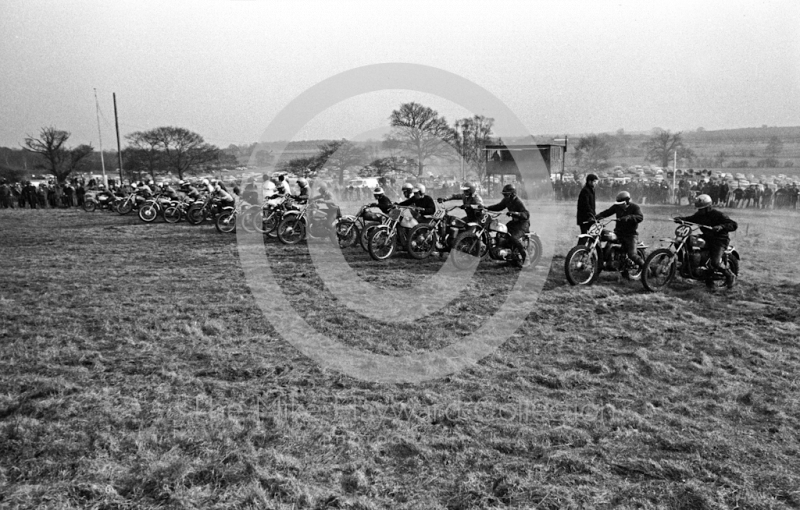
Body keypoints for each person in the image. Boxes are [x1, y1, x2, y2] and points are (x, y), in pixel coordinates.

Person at [674, 193, 738, 289]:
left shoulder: (718, 215)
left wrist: (721, 227)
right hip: (707, 237)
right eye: (699, 209)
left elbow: (733, 224)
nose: (700, 211)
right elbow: (690, 219)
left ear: (708, 207)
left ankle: (729, 275)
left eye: (702, 209)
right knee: (686, 241)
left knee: (715, 262)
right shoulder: (700, 215)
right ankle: (688, 264)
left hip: (719, 240)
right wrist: (681, 219)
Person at [595, 190, 645, 272]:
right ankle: (605, 263)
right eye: (619, 204)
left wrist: (629, 217)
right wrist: (597, 217)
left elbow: (640, 217)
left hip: (630, 235)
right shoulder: (617, 206)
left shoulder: (635, 207)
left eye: (622, 204)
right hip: (618, 233)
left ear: (627, 202)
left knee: (632, 255)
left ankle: (647, 270)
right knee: (607, 243)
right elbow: (608, 212)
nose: (620, 206)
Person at [485, 183, 530, 264]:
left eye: (507, 194)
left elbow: (526, 214)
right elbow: (498, 207)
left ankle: (526, 258)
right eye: (504, 194)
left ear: (513, 194)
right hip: (514, 223)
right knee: (501, 234)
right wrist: (487, 208)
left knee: (513, 238)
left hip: (523, 224)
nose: (505, 196)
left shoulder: (518, 202)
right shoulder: (507, 200)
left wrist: (516, 213)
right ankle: (505, 253)